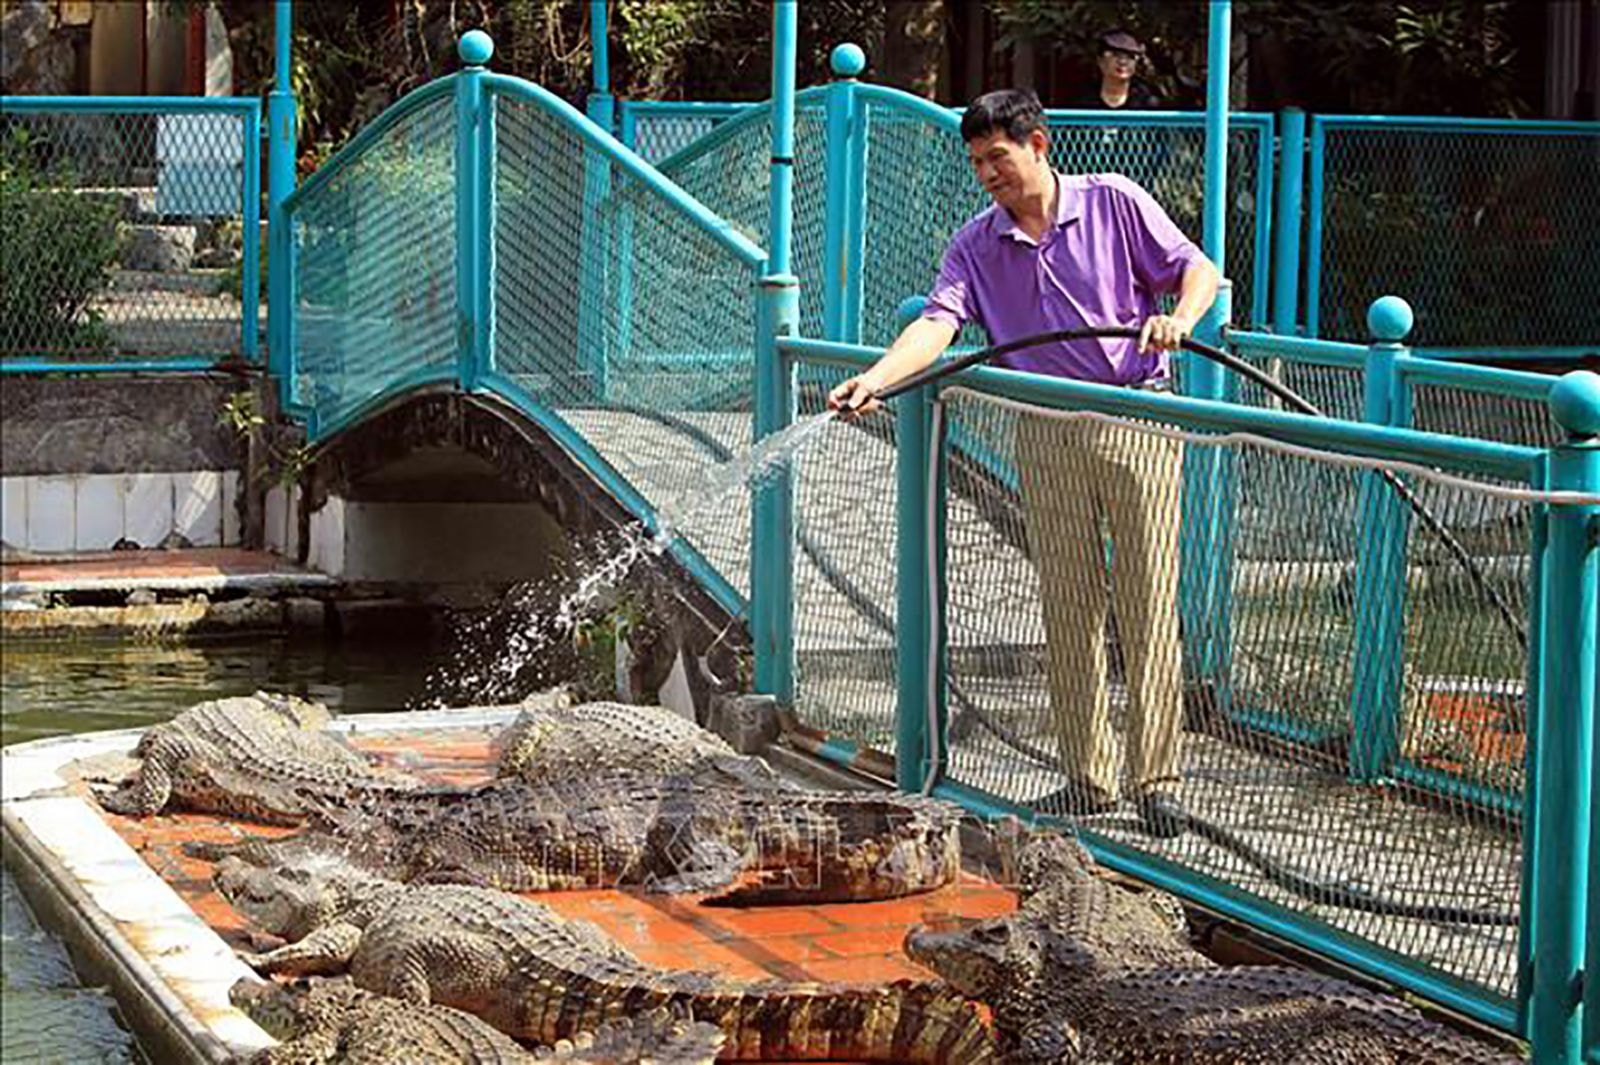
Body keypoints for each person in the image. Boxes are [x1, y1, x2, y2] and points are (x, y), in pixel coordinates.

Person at [826, 89, 1218, 839]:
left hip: (1133, 415)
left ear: (1038, 145)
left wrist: (1179, 318)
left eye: (996, 157)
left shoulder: (1114, 202)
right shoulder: (975, 243)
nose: (987, 174)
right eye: (976, 162)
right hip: (1042, 430)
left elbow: (1196, 268)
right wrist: (877, 379)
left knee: (1146, 597)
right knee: (1069, 603)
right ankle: (1090, 775)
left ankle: (1157, 778)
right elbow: (937, 323)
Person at [1077, 29, 1162, 110]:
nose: (1123, 62)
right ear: (1100, 61)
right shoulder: (1083, 99)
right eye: (1116, 55)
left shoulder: (1147, 100)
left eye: (1130, 57)